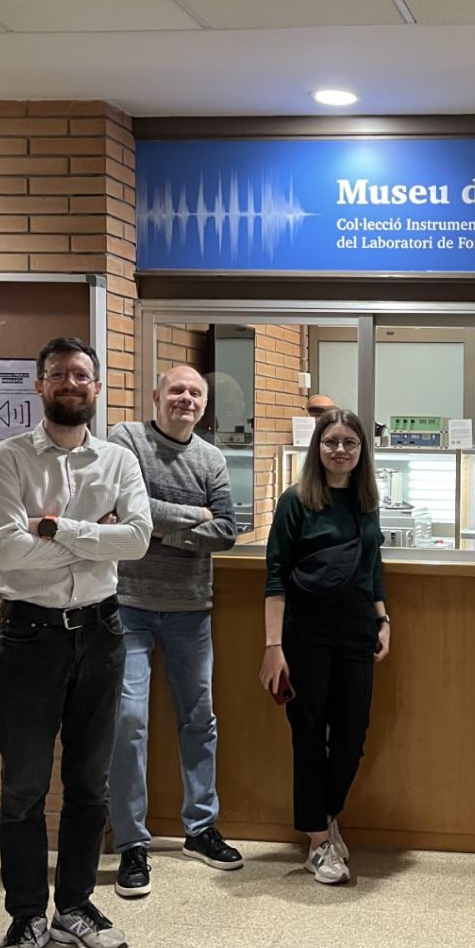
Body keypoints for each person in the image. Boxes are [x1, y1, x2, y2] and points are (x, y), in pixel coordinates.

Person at [0, 337, 151, 948]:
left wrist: (54, 528)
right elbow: (5, 552)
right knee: (24, 786)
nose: (70, 384)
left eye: (81, 375)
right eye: (57, 375)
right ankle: (26, 916)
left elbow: (136, 540)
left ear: (98, 386)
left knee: (89, 783)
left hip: (103, 635)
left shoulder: (119, 461)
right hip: (29, 637)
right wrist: (93, 539)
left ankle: (75, 906)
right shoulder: (6, 460)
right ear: (40, 386)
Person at [108, 366, 240, 899]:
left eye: (196, 393)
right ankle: (130, 842)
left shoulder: (211, 458)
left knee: (198, 718)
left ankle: (201, 828)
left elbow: (227, 530)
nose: (186, 399)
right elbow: (123, 508)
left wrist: (155, 533)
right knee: (128, 720)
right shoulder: (126, 439)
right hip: (127, 605)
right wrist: (192, 518)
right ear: (157, 395)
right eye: (177, 390)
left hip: (191, 608)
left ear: (204, 405)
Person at [260, 408, 390, 885]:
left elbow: (373, 565)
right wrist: (274, 646)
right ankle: (318, 839)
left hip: (357, 632)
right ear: (317, 448)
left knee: (352, 736)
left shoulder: (366, 501)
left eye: (349, 443)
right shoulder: (296, 502)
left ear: (361, 451)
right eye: (331, 441)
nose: (340, 450)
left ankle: (327, 815)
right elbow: (275, 577)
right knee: (309, 737)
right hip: (305, 635)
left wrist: (383, 617)